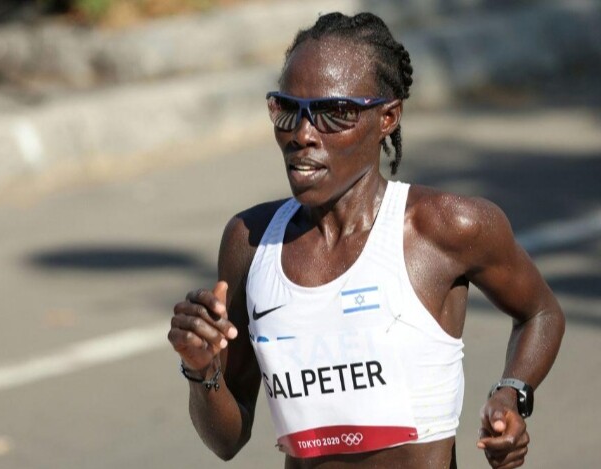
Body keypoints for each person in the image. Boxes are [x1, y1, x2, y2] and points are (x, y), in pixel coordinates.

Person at [167, 11, 565, 469]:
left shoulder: (446, 227)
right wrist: (201, 369)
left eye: (334, 113)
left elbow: (541, 312)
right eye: (287, 109)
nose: (302, 134)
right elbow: (227, 440)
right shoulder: (251, 242)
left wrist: (511, 393)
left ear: (387, 117)